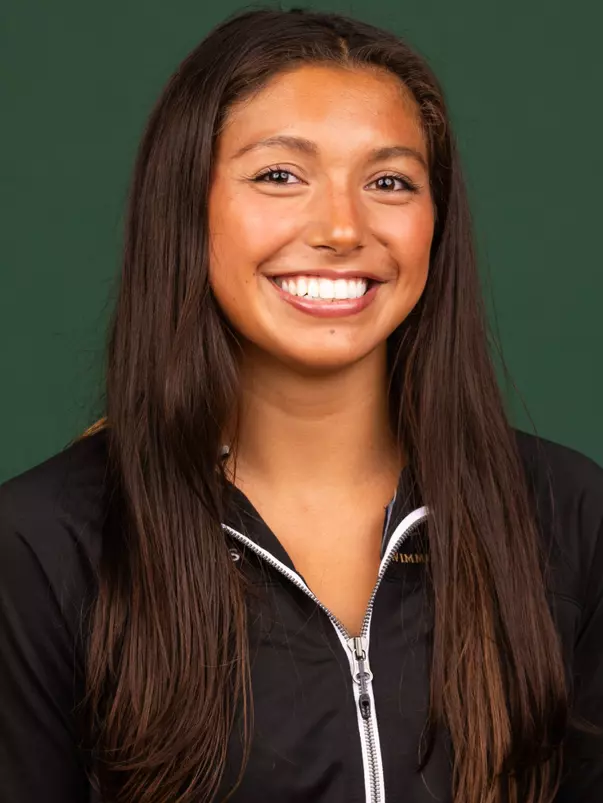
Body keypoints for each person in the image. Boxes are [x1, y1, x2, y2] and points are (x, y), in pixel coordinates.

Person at [0, 6, 601, 803]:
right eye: (279, 175)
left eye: (388, 181)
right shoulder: (47, 543)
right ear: (188, 206)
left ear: (436, 222)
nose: (343, 228)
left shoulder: (565, 512)